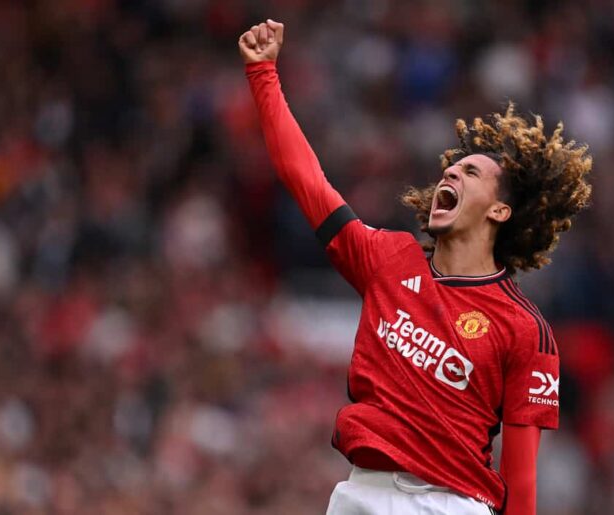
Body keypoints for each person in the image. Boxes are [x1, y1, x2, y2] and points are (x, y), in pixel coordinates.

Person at [239, 19, 592, 514]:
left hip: (447, 504)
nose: (451, 171)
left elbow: (521, 480)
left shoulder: (524, 329)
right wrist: (263, 74)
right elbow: (305, 179)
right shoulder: (388, 259)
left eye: (471, 172)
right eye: (453, 166)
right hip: (359, 493)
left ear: (500, 210)